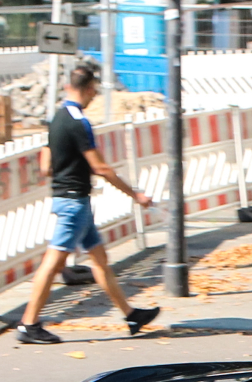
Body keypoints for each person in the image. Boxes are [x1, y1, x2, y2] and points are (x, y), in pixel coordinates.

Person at [10, 61, 159, 344]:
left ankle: (131, 315)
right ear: (90, 90)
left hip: (69, 198)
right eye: (94, 93)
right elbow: (101, 168)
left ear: (69, 87)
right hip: (74, 202)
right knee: (53, 263)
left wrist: (68, 164)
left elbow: (45, 166)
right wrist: (136, 195)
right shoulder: (79, 122)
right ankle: (29, 324)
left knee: (100, 261)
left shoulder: (56, 118)